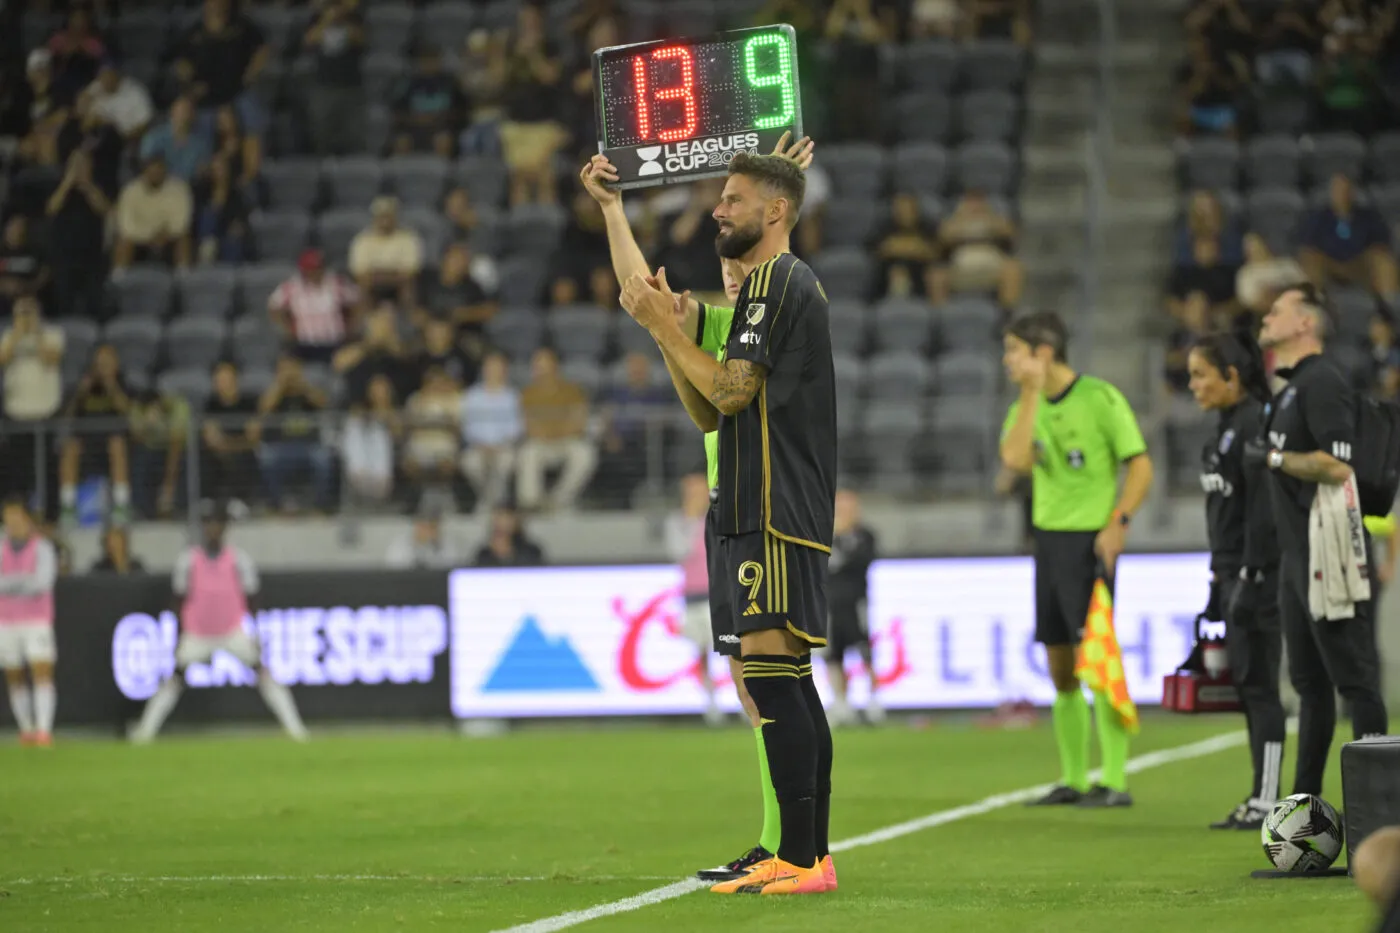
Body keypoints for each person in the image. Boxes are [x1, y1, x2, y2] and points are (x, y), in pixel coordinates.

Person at [582, 132, 817, 892]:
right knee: (762, 684)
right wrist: (614, 213)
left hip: (765, 506)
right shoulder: (734, 311)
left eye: (733, 206)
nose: (718, 220)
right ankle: (782, 842)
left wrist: (664, 327)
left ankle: (795, 848)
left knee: (771, 683)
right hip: (739, 508)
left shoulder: (768, 294)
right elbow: (702, 399)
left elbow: (726, 391)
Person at [999, 310, 1154, 808]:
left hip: (1091, 541)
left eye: (1014, 350)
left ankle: (1114, 780)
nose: (1007, 361)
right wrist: (1028, 392)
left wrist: (1119, 522)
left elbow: (1140, 464)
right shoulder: (1028, 404)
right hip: (1047, 540)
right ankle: (1074, 779)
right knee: (1060, 663)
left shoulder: (1100, 398)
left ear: (1043, 353)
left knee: (1098, 655)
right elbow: (1016, 461)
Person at [1251, 283, 1389, 796]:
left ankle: (1380, 814)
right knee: (1310, 687)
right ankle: (1303, 810)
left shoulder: (1322, 382)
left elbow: (1337, 464)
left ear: (1305, 322)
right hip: (1296, 555)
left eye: (1277, 308)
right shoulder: (1288, 388)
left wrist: (1273, 458)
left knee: (1355, 681)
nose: (1266, 316)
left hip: (1327, 554)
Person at [1187, 333, 1287, 830]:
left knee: (1260, 686)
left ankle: (1268, 800)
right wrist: (1216, 584)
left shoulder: (1252, 425)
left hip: (1257, 576)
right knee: (1248, 686)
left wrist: (1249, 573)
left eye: (1201, 374)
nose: (1193, 385)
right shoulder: (1226, 427)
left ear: (1232, 375)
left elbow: (1262, 512)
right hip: (1231, 574)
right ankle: (1260, 795)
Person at [131, 500, 306, 743]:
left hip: (232, 631)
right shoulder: (188, 560)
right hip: (197, 633)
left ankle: (296, 730)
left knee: (263, 673)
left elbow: (252, 598)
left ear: (225, 528)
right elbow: (178, 600)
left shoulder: (238, 560)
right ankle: (145, 732)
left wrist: (254, 633)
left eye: (218, 524)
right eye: (209, 524)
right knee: (174, 678)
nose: (213, 529)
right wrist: (178, 635)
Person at [0, 498, 59, 746]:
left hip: (36, 620)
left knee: (42, 672)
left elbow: (42, 583)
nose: (12, 523)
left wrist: (9, 584)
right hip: (5, 621)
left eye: (17, 517)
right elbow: (30, 582)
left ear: (27, 520)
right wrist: (24, 581)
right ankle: (26, 729)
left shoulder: (42, 548)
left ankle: (43, 730)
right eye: (8, 518)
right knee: (14, 675)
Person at [666, 473, 723, 726]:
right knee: (702, 652)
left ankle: (745, 701)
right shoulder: (677, 522)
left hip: (720, 594)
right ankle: (711, 703)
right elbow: (679, 551)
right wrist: (690, 521)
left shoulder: (718, 518)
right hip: (694, 595)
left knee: (733, 650)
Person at [60, 343, 132, 526]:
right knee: (70, 447)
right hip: (86, 439)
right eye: (100, 361)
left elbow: (127, 411)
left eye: (108, 361)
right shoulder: (84, 383)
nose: (103, 365)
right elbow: (67, 415)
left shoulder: (122, 382)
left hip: (112, 439)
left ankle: (121, 506)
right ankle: (68, 506)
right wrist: (81, 392)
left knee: (117, 445)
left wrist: (111, 386)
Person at [825, 489, 879, 728]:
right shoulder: (824, 536)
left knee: (864, 651)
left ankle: (873, 702)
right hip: (829, 605)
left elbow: (859, 561)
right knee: (833, 655)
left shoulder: (865, 536)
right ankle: (840, 704)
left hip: (856, 603)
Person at [473, 505, 545, 567]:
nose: (501, 524)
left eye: (506, 519)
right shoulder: (484, 553)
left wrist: (509, 554)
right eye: (498, 518)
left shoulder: (531, 551)